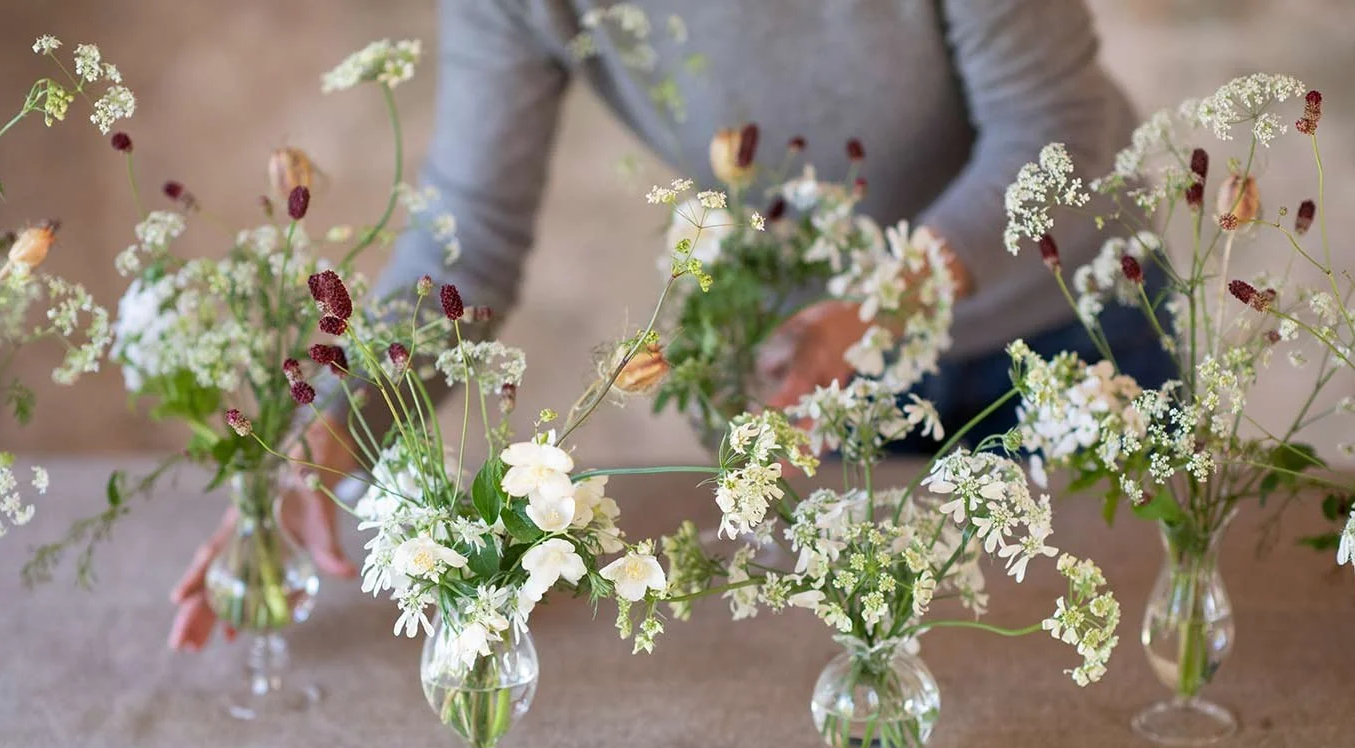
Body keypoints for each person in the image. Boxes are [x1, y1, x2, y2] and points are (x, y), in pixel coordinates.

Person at [170, 0, 1165, 650]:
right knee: (897, 711)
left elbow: (1056, 132)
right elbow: (465, 242)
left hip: (1072, 330)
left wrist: (879, 305)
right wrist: (338, 428)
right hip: (836, 378)